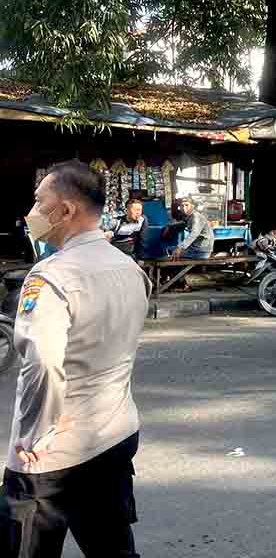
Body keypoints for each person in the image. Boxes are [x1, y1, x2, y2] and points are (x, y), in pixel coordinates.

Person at [1, 160, 150, 556]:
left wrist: (35, 435)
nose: (32, 212)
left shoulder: (51, 276)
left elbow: (44, 366)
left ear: (66, 210)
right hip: (114, 434)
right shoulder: (130, 269)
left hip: (52, 454)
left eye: (38, 201)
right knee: (112, 548)